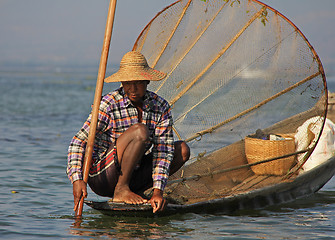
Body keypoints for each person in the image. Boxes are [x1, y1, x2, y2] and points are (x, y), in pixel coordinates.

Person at [67, 51, 190, 213]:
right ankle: (121, 190)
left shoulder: (160, 106)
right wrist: (77, 180)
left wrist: (158, 192)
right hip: (103, 175)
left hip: (135, 173)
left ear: (147, 80)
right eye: (127, 83)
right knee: (140, 131)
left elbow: (163, 152)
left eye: (138, 83)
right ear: (122, 83)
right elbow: (79, 141)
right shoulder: (108, 104)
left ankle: (137, 192)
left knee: (181, 150)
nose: (132, 89)